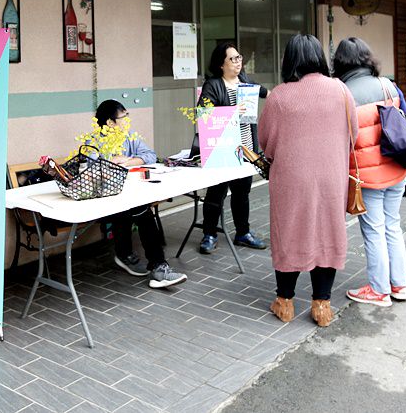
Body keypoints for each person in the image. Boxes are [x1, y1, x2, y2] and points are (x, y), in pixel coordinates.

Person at [259, 34, 358, 326]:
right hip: (331, 175)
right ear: (319, 57)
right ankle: (322, 305)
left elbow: (266, 141)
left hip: (291, 177)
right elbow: (355, 134)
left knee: (289, 230)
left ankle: (285, 302)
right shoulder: (340, 90)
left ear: (289, 60)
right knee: (327, 230)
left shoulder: (279, 95)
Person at [334, 37, 406, 307]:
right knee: (393, 226)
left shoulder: (342, 92)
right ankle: (399, 284)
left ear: (340, 61)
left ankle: (379, 290)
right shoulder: (387, 84)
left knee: (374, 231)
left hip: (367, 176)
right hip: (396, 168)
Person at [93, 100, 187, 289]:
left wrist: (128, 161)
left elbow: (151, 155)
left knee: (138, 208)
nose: (128, 120)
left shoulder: (128, 136)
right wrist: (111, 161)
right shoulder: (95, 141)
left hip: (127, 195)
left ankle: (128, 255)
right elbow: (92, 169)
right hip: (104, 201)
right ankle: (158, 267)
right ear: (110, 123)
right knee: (142, 211)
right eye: (123, 117)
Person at [191, 42, 269, 254]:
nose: (238, 62)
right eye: (232, 59)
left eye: (239, 57)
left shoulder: (244, 81)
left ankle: (243, 233)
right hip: (222, 149)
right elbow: (203, 115)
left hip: (245, 148)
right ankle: (209, 234)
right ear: (220, 65)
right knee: (216, 192)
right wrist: (233, 110)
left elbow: (265, 92)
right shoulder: (213, 85)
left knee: (242, 192)